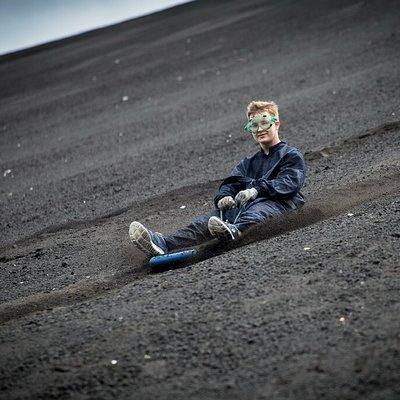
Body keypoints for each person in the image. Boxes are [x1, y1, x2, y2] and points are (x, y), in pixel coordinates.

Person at [129, 100, 307, 257]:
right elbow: (232, 183)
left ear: (276, 124)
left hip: (279, 205)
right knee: (206, 222)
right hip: (245, 207)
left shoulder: (291, 155)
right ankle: (163, 244)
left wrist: (256, 189)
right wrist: (223, 197)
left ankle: (234, 232)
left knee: (257, 211)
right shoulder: (248, 163)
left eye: (264, 122)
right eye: (254, 125)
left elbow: (289, 183)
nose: (259, 129)